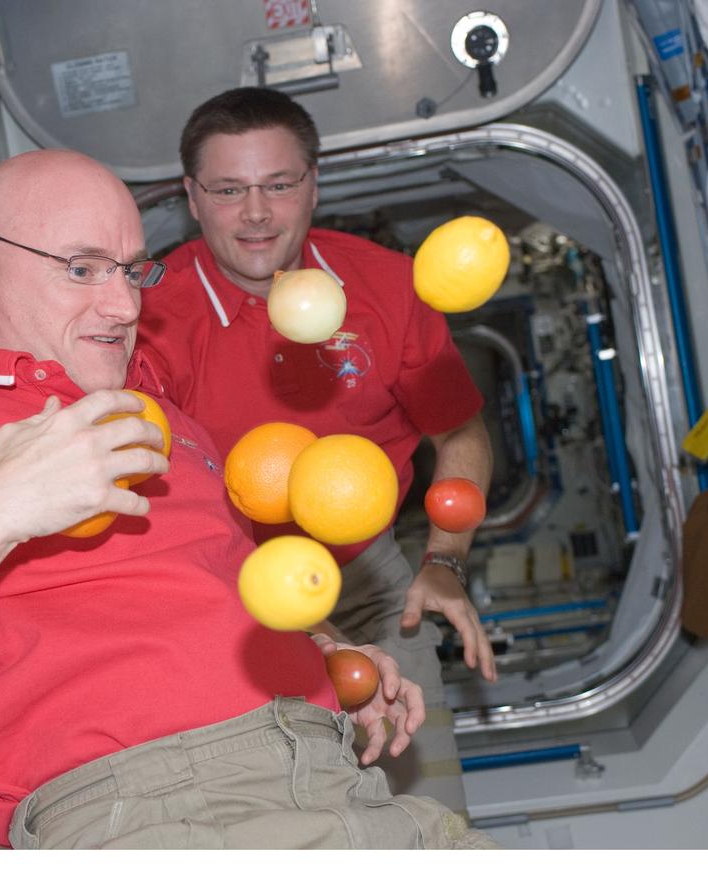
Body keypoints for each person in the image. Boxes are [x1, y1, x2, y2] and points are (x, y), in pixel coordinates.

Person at [0, 149, 495, 849]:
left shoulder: (163, 420)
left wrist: (328, 654)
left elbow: (201, 596)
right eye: (82, 268)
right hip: (160, 810)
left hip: (337, 780)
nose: (124, 304)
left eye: (130, 270)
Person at [137, 87, 497, 815]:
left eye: (279, 184)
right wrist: (307, 633)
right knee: (277, 821)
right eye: (230, 189)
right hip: (218, 588)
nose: (258, 213)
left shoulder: (389, 289)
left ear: (314, 184)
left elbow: (457, 431)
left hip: (369, 581)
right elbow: (156, 494)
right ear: (192, 198)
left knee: (425, 815)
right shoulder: (150, 320)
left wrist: (445, 560)